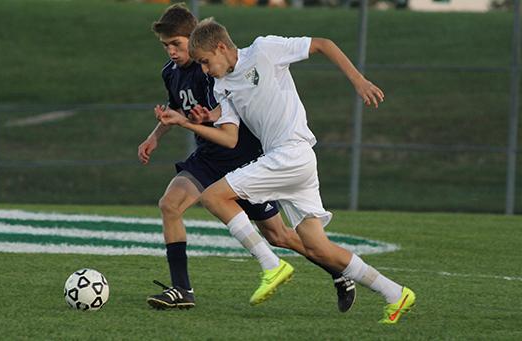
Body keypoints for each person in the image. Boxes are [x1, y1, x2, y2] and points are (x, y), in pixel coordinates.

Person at [156, 18, 416, 324]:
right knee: (318, 248)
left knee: (214, 197)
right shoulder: (224, 83)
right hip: (293, 162)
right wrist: (194, 120)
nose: (204, 70)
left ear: (222, 47)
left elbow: (323, 44)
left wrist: (359, 81)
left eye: (205, 62)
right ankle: (395, 293)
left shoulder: (264, 50)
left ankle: (271, 265)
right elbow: (229, 136)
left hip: (291, 152)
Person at [139, 4, 356, 311]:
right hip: (208, 157)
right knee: (169, 204)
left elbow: (227, 119)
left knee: (278, 235)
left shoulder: (214, 70)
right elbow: (176, 109)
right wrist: (154, 136)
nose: (172, 52)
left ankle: (337, 269)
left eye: (177, 44)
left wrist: (204, 119)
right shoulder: (172, 73)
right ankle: (182, 289)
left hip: (243, 158)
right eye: (166, 46)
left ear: (196, 37)